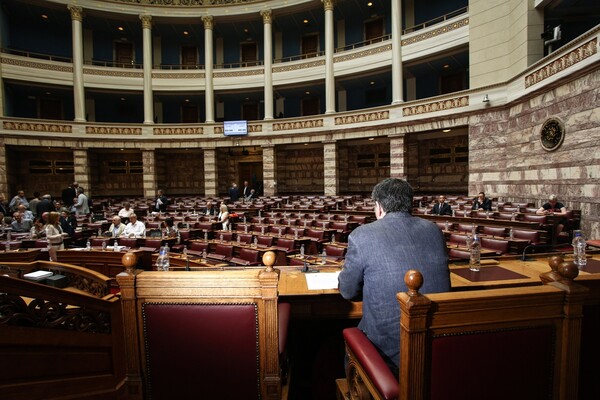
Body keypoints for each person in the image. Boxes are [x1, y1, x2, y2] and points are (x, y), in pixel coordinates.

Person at [338, 178, 450, 374]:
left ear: (379, 207)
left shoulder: (361, 235)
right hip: (436, 349)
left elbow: (348, 291)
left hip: (387, 355)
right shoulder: (434, 230)